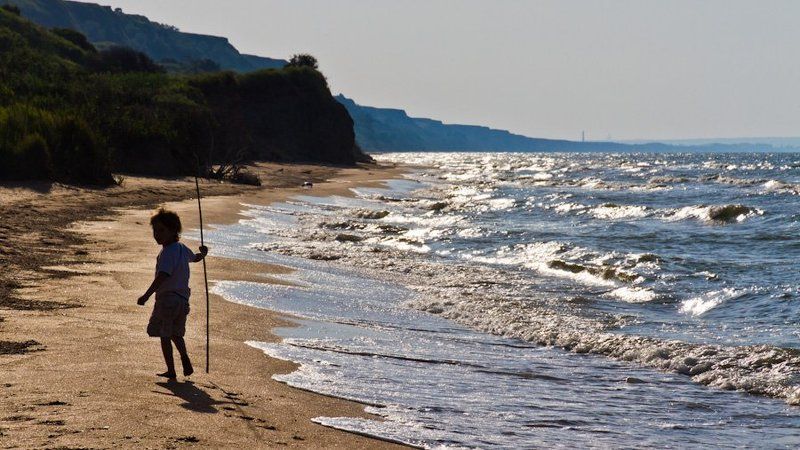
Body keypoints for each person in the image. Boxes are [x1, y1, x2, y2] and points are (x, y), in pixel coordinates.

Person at [137, 208, 208, 380]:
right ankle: (184, 357)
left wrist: (146, 295)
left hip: (167, 300)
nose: (157, 234)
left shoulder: (168, 252)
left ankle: (171, 370)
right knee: (176, 333)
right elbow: (195, 258)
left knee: (164, 335)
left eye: (162, 230)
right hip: (183, 301)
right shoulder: (182, 248)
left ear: (173, 231)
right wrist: (203, 253)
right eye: (155, 230)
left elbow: (163, 276)